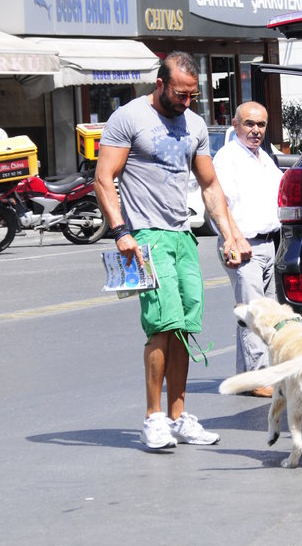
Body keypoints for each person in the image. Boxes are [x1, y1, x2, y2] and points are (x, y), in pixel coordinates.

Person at [95, 51, 243, 451]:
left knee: (184, 327)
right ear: (161, 83)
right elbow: (104, 177)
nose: (187, 101)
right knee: (162, 325)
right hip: (147, 236)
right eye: (180, 93)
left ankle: (179, 417)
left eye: (192, 94)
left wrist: (230, 234)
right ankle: (154, 418)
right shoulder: (129, 117)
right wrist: (120, 231)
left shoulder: (194, 123)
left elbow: (209, 185)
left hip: (182, 235)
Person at [212, 102, 283, 396]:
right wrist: (234, 240)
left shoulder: (263, 157)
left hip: (267, 243)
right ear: (236, 125)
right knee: (255, 313)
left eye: (261, 125)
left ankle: (246, 376)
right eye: (249, 124)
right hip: (243, 245)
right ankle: (258, 378)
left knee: (260, 310)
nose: (256, 130)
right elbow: (220, 205)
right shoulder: (228, 158)